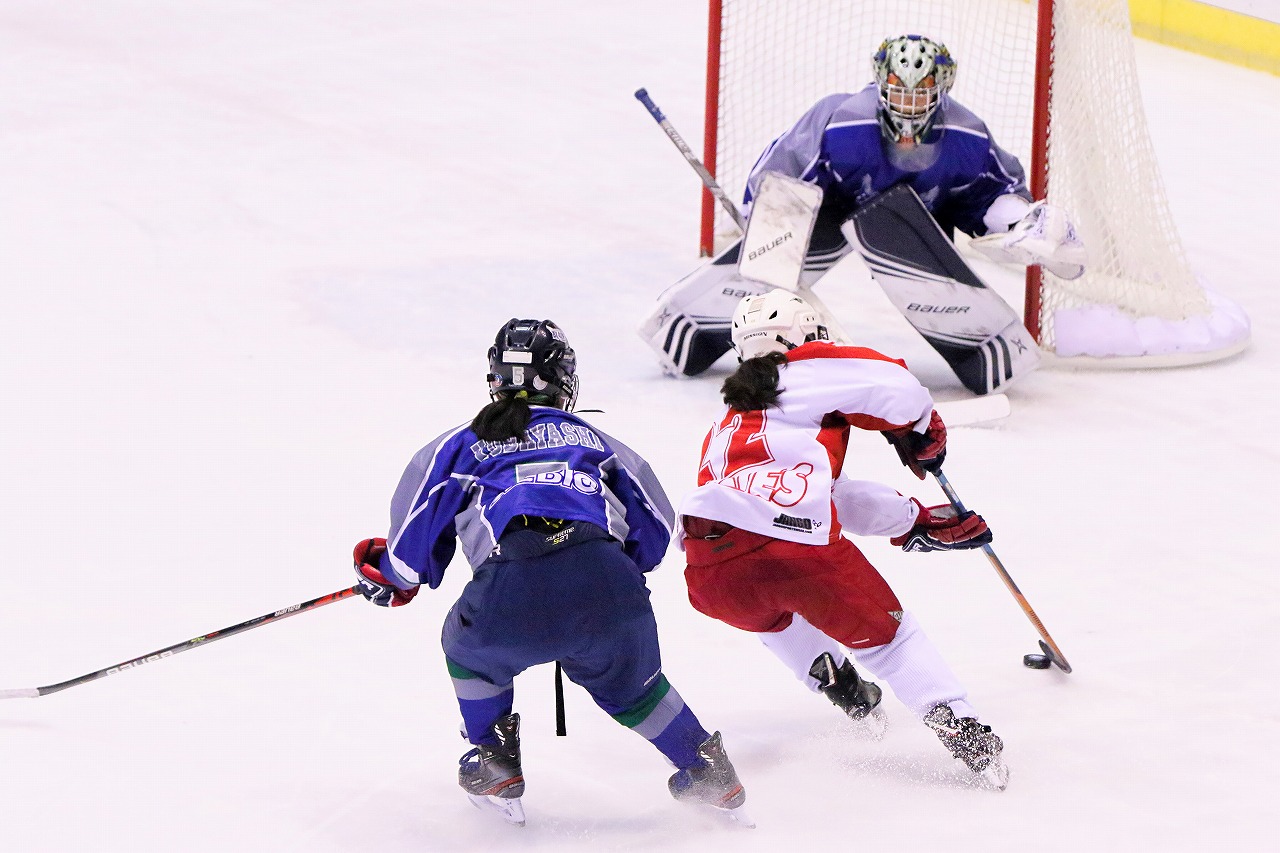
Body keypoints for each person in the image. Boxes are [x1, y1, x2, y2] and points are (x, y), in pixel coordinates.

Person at [350, 318, 751, 827]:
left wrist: (386, 575)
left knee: (468, 650)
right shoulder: (597, 440)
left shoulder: (458, 445)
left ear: (495, 379)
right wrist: (601, 575)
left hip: (512, 589)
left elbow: (408, 560)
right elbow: (656, 530)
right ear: (563, 379)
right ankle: (707, 768)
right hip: (609, 581)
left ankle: (495, 760)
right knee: (634, 685)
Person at [677, 289, 1009, 787]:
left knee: (775, 614)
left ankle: (841, 686)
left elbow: (829, 499)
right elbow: (895, 384)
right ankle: (960, 728)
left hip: (711, 573)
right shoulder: (802, 370)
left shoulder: (727, 425)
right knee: (891, 641)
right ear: (804, 336)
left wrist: (914, 520)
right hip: (795, 554)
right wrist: (921, 427)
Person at [639, 33, 1083, 382]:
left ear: (942, 89)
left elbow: (989, 195)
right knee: (781, 242)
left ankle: (985, 348)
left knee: (891, 219)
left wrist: (1021, 221)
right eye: (900, 92)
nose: (909, 106)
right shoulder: (842, 120)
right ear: (880, 84)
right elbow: (781, 173)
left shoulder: (968, 136)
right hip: (830, 210)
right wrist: (768, 224)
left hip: (919, 223)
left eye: (921, 94)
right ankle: (697, 325)